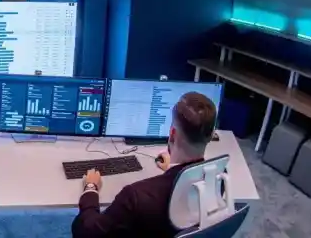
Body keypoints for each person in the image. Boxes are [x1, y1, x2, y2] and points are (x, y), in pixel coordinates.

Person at [72, 92, 217, 238]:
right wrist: (172, 170)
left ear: (172, 134)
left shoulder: (135, 197)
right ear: (211, 135)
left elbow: (86, 232)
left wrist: (90, 188)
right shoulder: (218, 179)